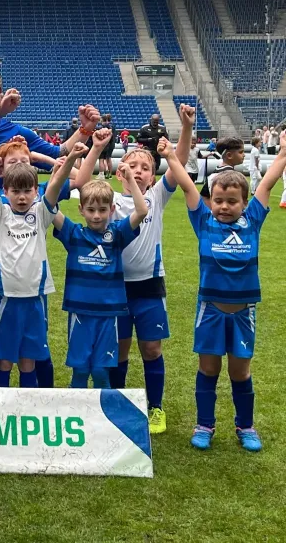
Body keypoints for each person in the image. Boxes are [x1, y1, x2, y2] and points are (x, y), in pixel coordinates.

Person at [0, 66, 101, 382]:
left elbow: (62, 159)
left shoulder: (19, 136)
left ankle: (27, 385)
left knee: (23, 328)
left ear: (0, 96)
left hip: (19, 258)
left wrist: (85, 131)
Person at [76, 103, 196, 433]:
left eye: (146, 166)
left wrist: (185, 129)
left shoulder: (157, 196)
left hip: (149, 286)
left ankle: (155, 408)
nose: (140, 170)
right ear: (120, 172)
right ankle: (118, 404)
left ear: (153, 174)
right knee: (121, 348)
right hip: (114, 286)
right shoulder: (108, 201)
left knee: (152, 348)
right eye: (133, 164)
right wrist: (95, 146)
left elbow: (179, 163)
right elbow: (80, 182)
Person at [164, 129, 286, 452]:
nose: (224, 207)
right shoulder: (204, 223)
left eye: (232, 202)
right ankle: (204, 424)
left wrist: (284, 153)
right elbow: (189, 186)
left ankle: (245, 426)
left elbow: (268, 183)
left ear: (245, 203)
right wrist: (167, 156)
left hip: (243, 313)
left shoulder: (253, 221)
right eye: (218, 201)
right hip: (211, 311)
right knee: (209, 368)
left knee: (240, 370)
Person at [0, 137, 87, 388]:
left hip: (35, 297)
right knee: (2, 360)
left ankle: (27, 409)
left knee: (28, 360)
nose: (22, 197)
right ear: (6, 192)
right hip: (5, 298)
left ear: (36, 191)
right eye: (15, 191)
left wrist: (73, 158)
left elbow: (55, 185)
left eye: (27, 191)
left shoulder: (42, 212)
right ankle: (0, 408)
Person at [53, 154, 148, 389]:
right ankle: (77, 422)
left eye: (102, 210)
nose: (97, 215)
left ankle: (103, 423)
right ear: (81, 210)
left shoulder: (116, 234)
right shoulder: (74, 234)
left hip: (108, 314)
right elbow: (49, 206)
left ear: (112, 209)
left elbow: (142, 211)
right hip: (80, 313)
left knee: (100, 371)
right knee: (80, 371)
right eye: (91, 210)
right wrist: (60, 172)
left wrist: (130, 179)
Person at [200, 137, 245, 206]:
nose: (244, 155)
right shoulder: (231, 176)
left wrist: (211, 212)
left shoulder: (214, 173)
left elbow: (204, 196)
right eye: (241, 152)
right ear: (229, 155)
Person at [97, 113, 116, 179]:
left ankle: (101, 174)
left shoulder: (103, 126)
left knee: (101, 159)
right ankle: (110, 174)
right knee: (108, 159)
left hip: (105, 144)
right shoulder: (112, 126)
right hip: (111, 144)